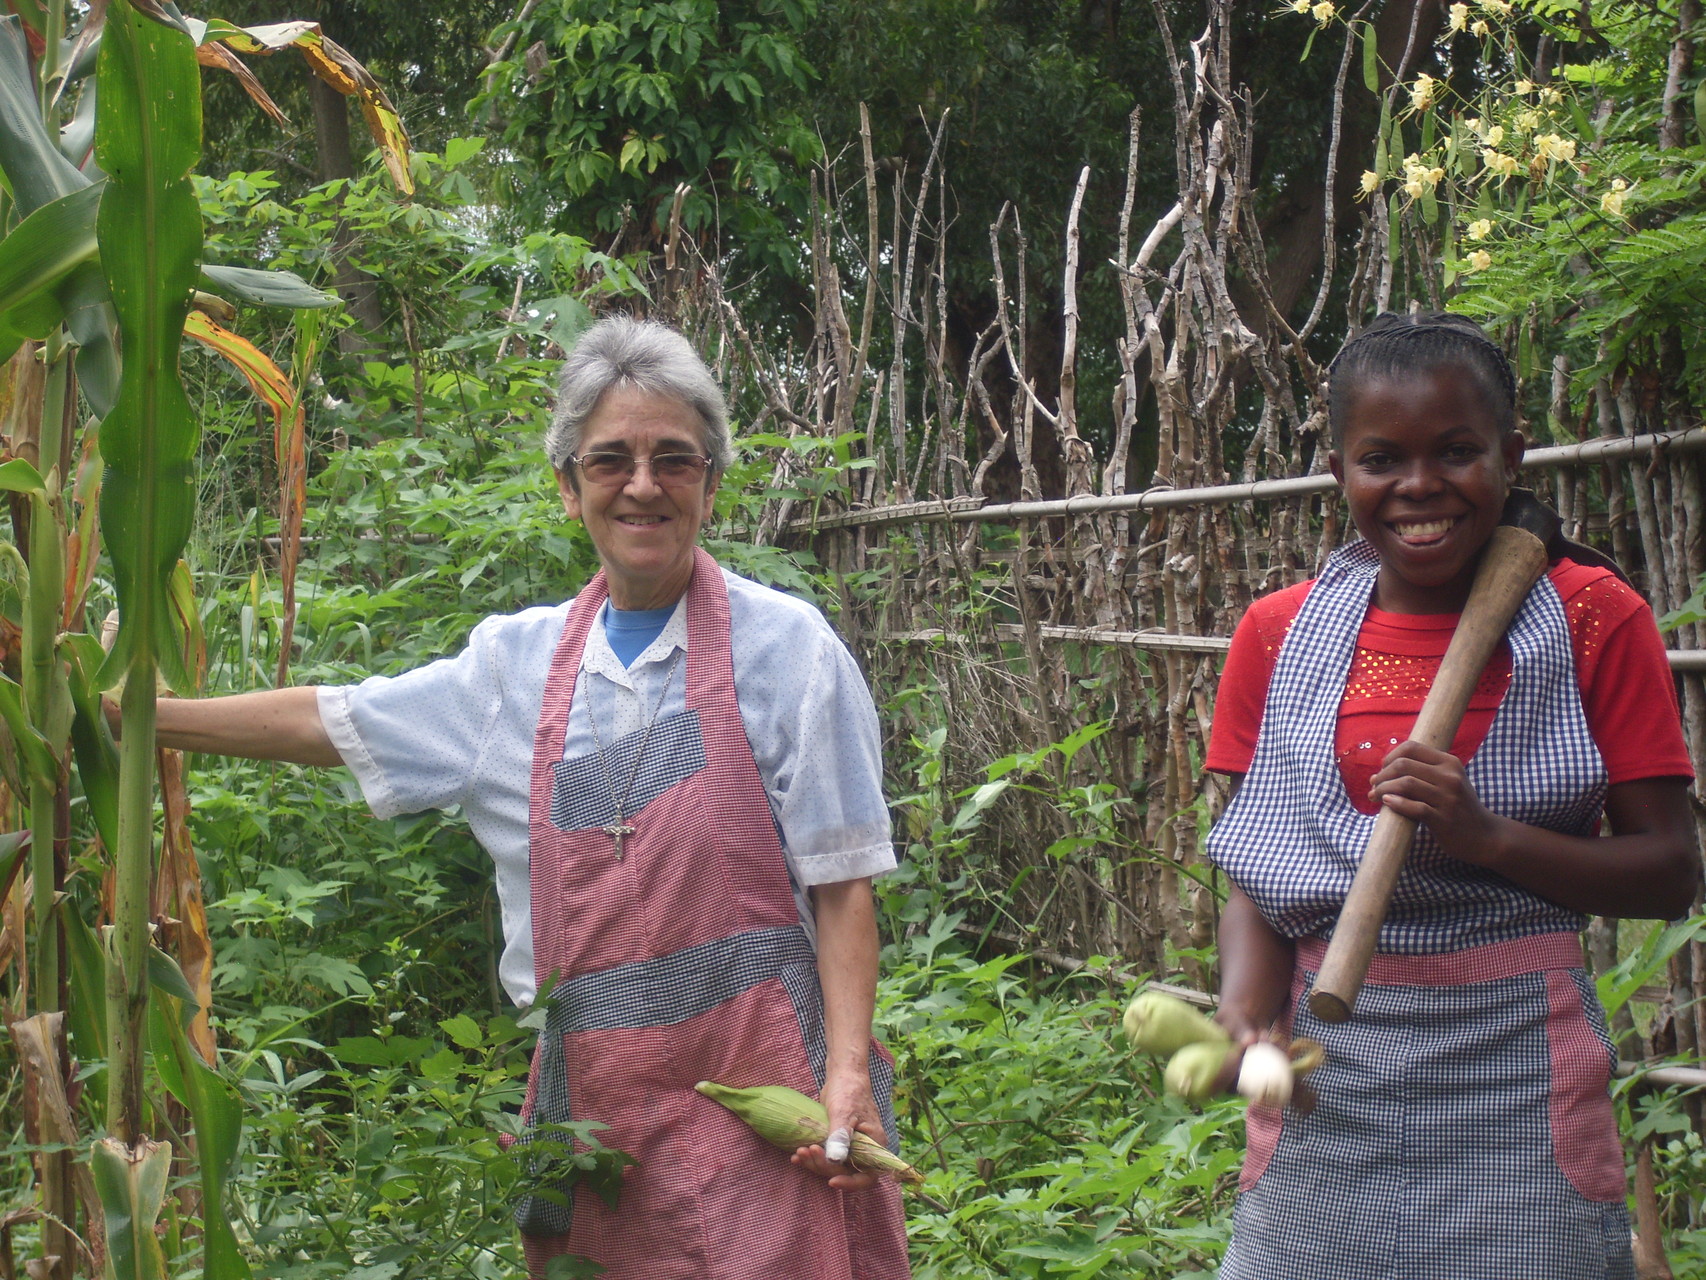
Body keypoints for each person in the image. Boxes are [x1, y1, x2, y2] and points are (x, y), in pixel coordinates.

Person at [154, 315, 914, 1280]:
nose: (643, 484)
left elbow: (844, 883)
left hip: (779, 1108)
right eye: (611, 461)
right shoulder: (511, 671)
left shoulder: (789, 651)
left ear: (712, 485)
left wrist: (847, 1074)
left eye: (674, 459)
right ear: (569, 489)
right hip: (599, 1128)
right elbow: (332, 721)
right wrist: (146, 717)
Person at [1201, 312, 1701, 1280]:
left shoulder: (1595, 619)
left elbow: (1667, 873)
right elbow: (1260, 871)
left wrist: (1482, 833)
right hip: (1326, 1071)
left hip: (1514, 1067)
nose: (1418, 485)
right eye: (1379, 458)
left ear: (1509, 457)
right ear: (1337, 470)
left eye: (1456, 451)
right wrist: (1244, 1012)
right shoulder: (1278, 633)